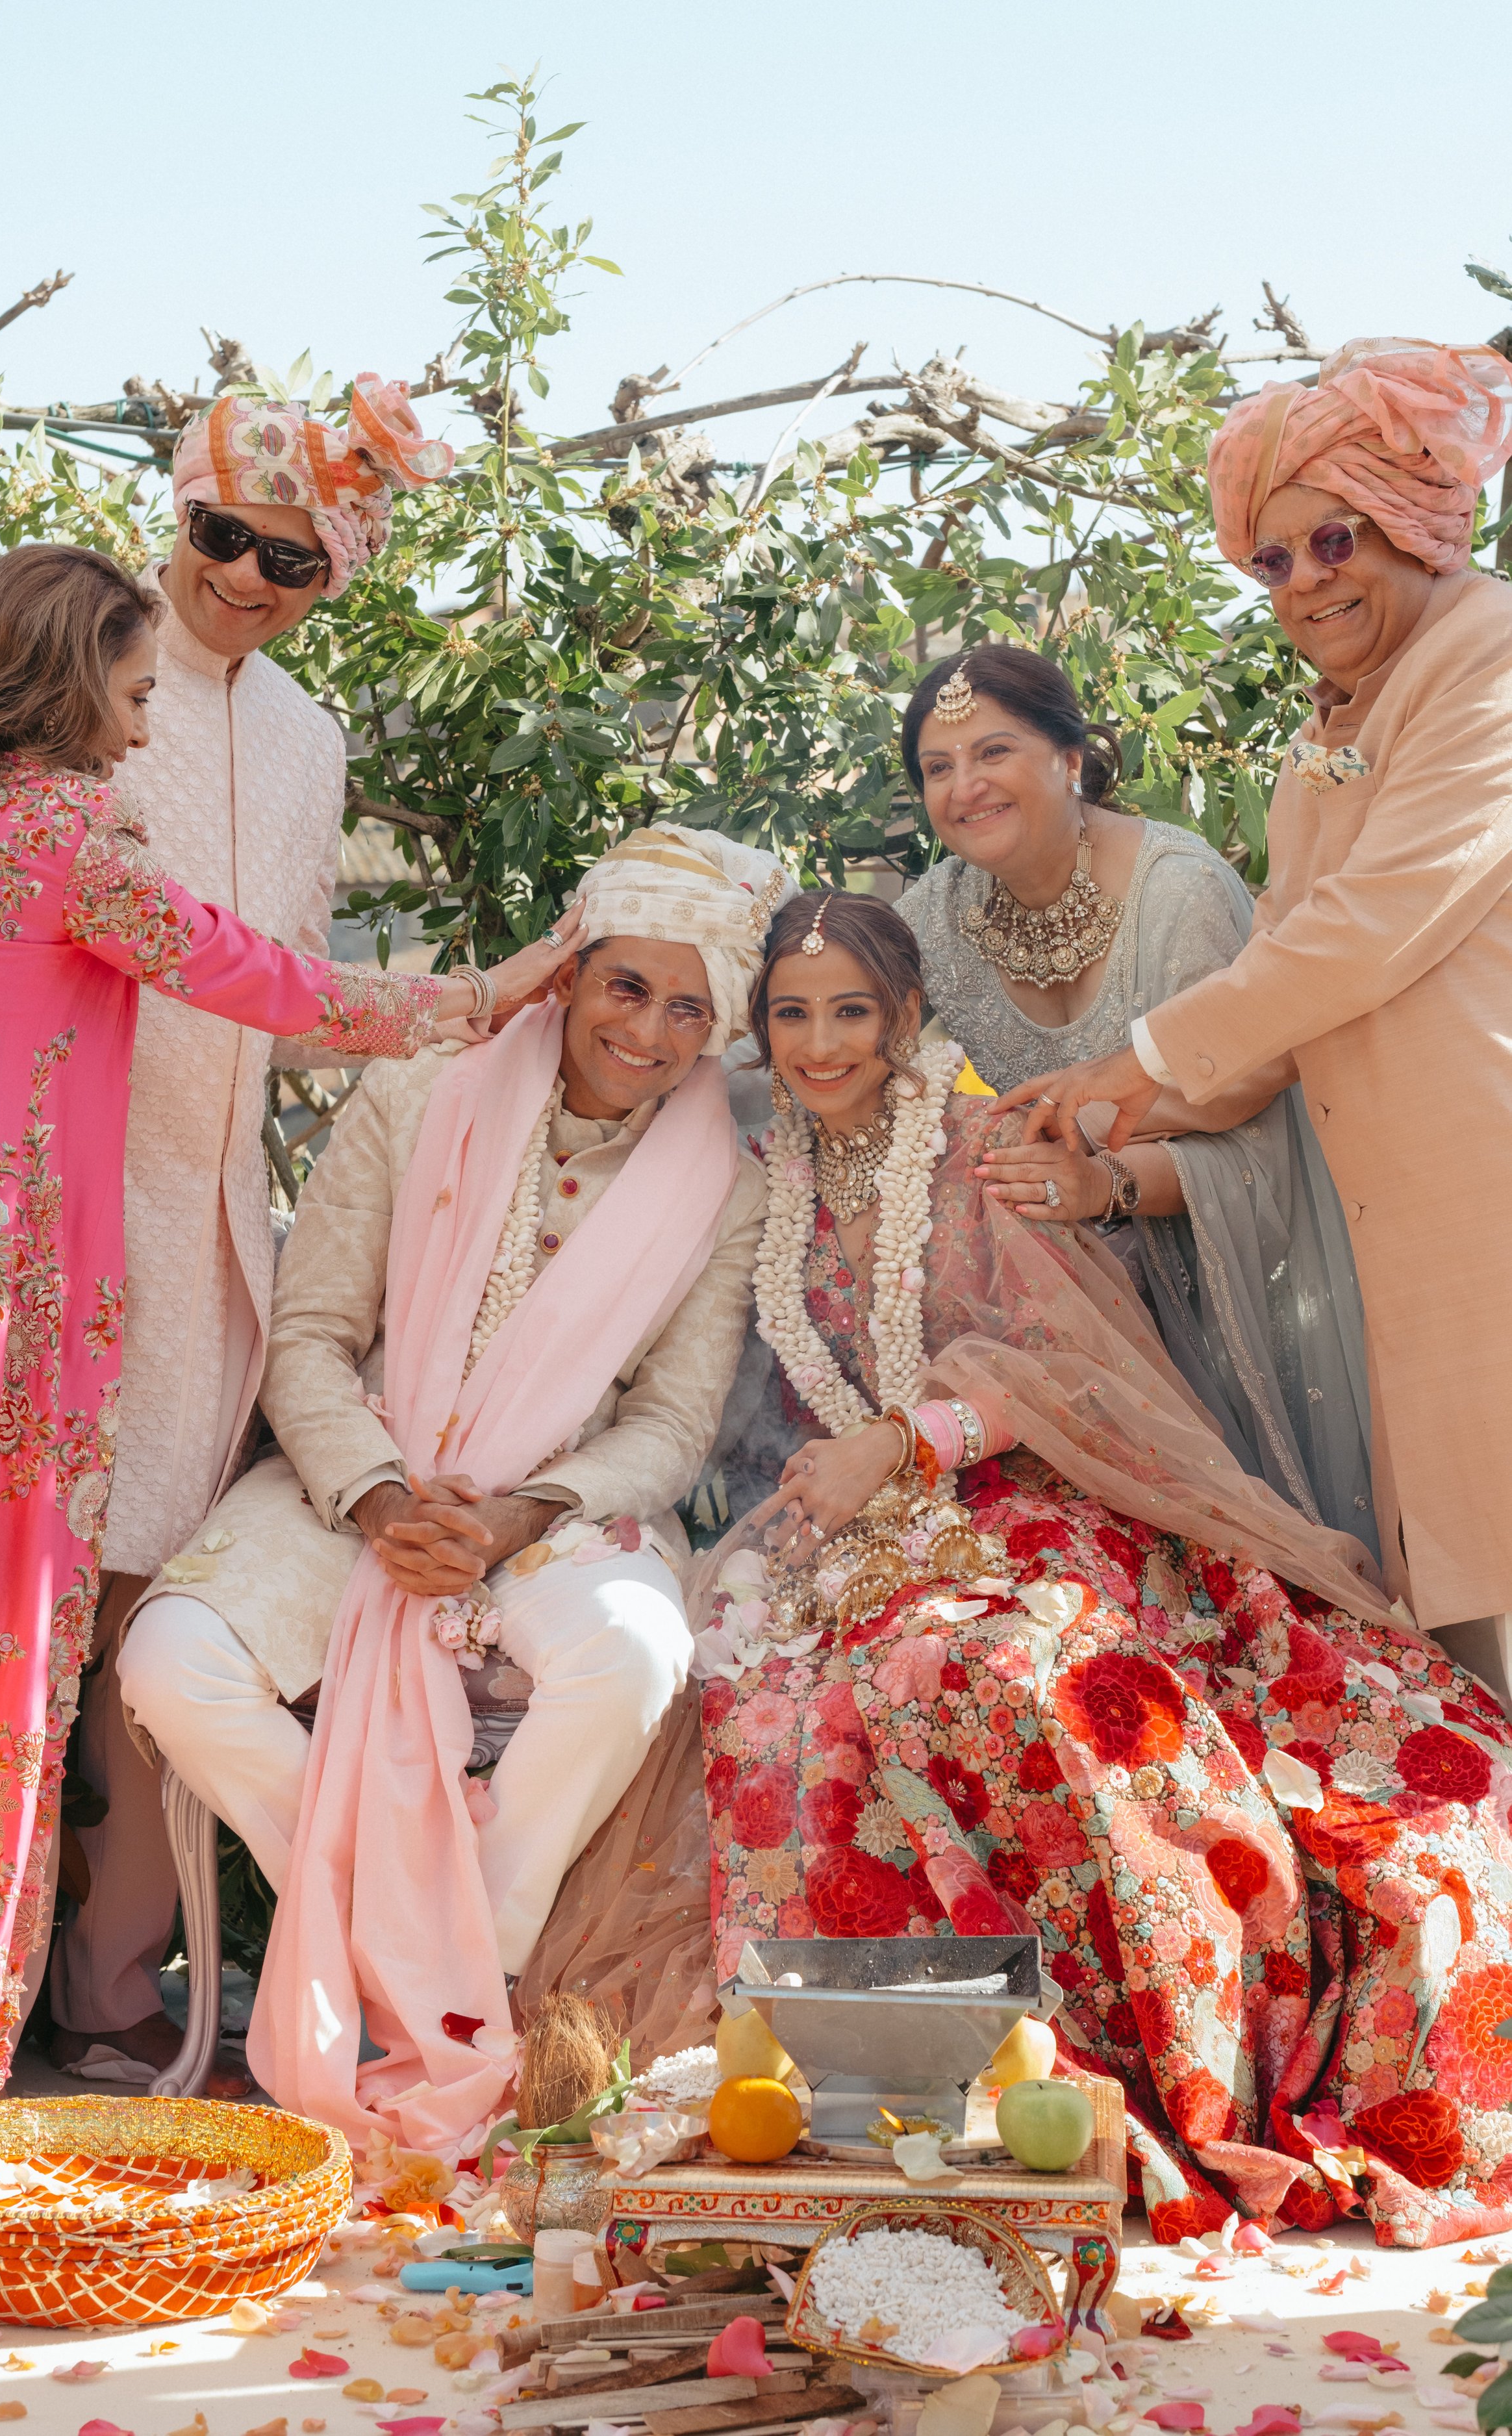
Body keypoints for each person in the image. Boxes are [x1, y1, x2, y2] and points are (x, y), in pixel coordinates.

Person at [553, 890, 1511, 2251]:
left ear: (901, 1021)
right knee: (776, 1709)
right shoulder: (756, 1164)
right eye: (790, 1013)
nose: (819, 1043)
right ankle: (877, 2079)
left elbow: (1069, 1364)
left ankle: (1136, 2057)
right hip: (844, 1526)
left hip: (1035, 1493)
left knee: (1009, 1670)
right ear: (758, 1029)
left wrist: (905, 1440)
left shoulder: (979, 1141)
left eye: (849, 1013)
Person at [0, 544, 571, 2087]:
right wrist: (489, 993)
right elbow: (257, 979)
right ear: (69, 682)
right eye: (131, 695)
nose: (140, 730)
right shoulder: (64, 821)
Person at [120, 823, 789, 2156]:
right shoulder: (424, 1088)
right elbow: (307, 1334)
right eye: (624, 988)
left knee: (630, 1656)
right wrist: (379, 1496)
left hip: (554, 1505)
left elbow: (671, 1422)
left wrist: (520, 1513)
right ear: (572, 973)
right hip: (361, 1474)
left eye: (686, 1008)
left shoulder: (729, 1179)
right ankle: (410, 1946)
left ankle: (464, 1951)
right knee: (169, 1661)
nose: (647, 1033)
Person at [992, 338, 1512, 1702]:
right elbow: (1279, 992)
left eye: (1327, 538)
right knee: (1467, 1646)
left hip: (1491, 1225)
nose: (1301, 583)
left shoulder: (1489, 656)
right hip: (1401, 1280)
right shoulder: (1323, 732)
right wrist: (1100, 1116)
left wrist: (1135, 1059)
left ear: (1412, 521)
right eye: (1268, 562)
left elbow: (1366, 932)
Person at [50, 375, 453, 2085]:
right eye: (224, 535)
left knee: (157, 1608)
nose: (247, 578)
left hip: (218, 1225)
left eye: (293, 564)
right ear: (179, 509)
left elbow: (282, 988)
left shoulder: (309, 736)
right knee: (12, 1598)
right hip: (53, 1198)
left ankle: (103, 1972)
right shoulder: (70, 670)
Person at [896, 644, 1376, 1558]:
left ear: (1071, 759)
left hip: (1225, 1308)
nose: (965, 786)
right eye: (938, 767)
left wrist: (1100, 1187)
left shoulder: (1181, 894)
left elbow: (1266, 1150)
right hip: (1044, 1334)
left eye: (993, 751)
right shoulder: (929, 919)